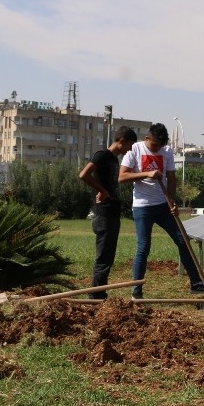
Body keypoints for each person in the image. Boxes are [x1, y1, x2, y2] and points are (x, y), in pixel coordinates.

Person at [119, 122, 204, 298]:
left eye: (160, 145)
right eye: (155, 145)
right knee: (143, 247)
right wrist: (146, 174)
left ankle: (196, 284)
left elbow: (172, 179)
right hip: (142, 207)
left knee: (183, 240)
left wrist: (172, 201)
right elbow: (122, 177)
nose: (157, 148)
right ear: (147, 139)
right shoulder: (135, 150)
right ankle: (137, 291)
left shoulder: (166, 152)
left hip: (162, 205)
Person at [78, 126, 137, 299]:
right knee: (103, 258)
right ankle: (96, 296)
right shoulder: (102, 155)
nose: (129, 150)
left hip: (112, 214)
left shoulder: (113, 160)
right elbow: (83, 175)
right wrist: (101, 190)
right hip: (103, 214)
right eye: (129, 145)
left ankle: (99, 292)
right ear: (121, 141)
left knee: (108, 257)